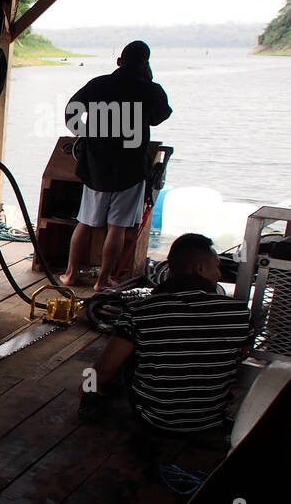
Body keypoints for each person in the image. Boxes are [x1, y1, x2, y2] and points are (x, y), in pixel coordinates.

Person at [81, 234, 254, 437]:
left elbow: (103, 369)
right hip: (210, 419)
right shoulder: (240, 313)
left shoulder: (140, 310)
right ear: (200, 269)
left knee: (104, 365)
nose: (219, 274)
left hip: (154, 418)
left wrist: (86, 388)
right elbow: (238, 359)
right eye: (216, 267)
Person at [61, 41, 172, 292]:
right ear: (145, 64)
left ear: (119, 61)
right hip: (130, 170)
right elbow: (159, 116)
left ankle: (70, 274)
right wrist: (148, 79)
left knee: (86, 222)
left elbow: (71, 112)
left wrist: (85, 134)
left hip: (96, 167)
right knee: (117, 228)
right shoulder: (150, 89)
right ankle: (103, 281)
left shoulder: (98, 84)